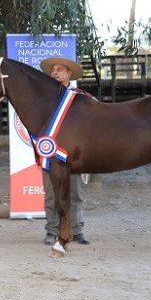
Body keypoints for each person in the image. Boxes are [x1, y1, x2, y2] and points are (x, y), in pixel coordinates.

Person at [39, 56, 90, 245]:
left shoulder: (80, 98)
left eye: (60, 69)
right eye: (53, 70)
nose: (55, 73)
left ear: (69, 73)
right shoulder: (44, 99)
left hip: (74, 154)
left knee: (75, 193)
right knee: (52, 194)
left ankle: (77, 231)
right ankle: (52, 231)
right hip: (51, 154)